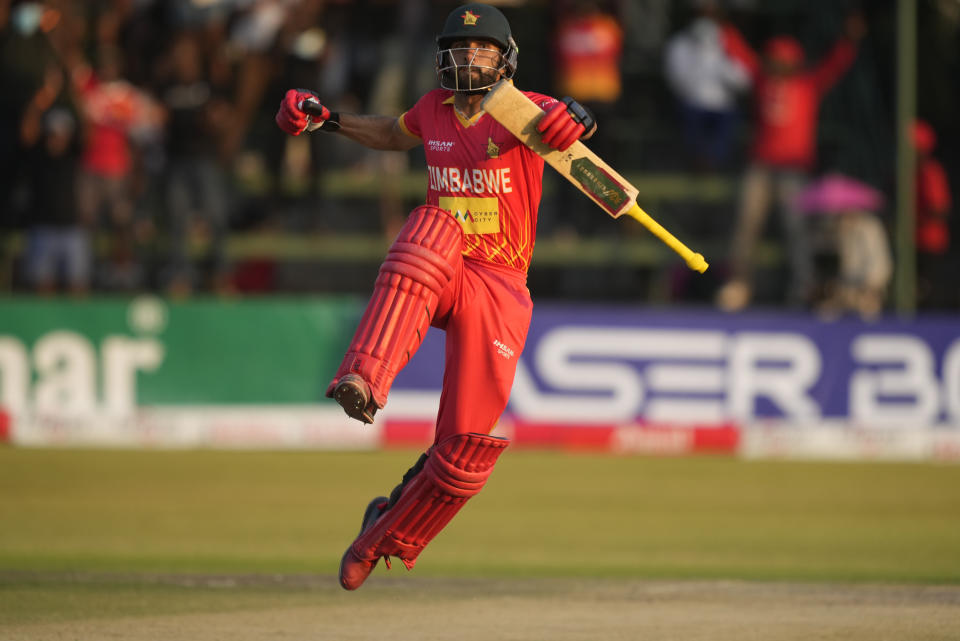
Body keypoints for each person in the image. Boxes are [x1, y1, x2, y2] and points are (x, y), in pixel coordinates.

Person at [275, 3, 597, 591]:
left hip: (499, 287)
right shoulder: (432, 109)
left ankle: (382, 535)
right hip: (441, 266)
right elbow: (391, 134)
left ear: (506, 59)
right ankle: (365, 379)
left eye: (483, 50)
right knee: (433, 224)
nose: (470, 58)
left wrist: (577, 117)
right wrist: (329, 120)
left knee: (464, 454)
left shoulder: (527, 113)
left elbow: (571, 122)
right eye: (459, 48)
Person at [715, 13, 866, 311]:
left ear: (794, 62)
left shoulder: (808, 84)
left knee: (796, 229)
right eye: (773, 59)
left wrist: (849, 40)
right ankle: (739, 285)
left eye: (782, 60)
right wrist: (723, 24)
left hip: (794, 168)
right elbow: (740, 54)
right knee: (747, 224)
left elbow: (834, 65)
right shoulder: (761, 79)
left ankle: (803, 287)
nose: (777, 65)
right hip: (761, 165)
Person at [663, 0, 749, 171]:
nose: (706, 20)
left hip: (724, 106)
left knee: (727, 132)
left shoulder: (731, 41)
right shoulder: (680, 43)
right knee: (691, 130)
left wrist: (721, 64)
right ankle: (694, 167)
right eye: (702, 14)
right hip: (692, 104)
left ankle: (718, 168)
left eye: (711, 15)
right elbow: (676, 78)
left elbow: (744, 80)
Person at [912, 119, 952, 309]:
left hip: (930, 245)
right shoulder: (910, 173)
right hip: (914, 245)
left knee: (930, 296)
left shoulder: (930, 172)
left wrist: (915, 221)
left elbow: (940, 210)